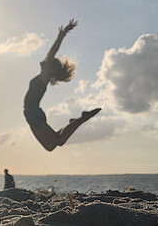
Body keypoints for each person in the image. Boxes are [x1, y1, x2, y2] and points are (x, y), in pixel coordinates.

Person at [23, 19, 101, 151]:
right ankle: (73, 123)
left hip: (33, 112)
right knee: (51, 146)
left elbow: (51, 52)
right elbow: (50, 55)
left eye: (48, 61)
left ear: (50, 67)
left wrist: (61, 35)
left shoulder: (45, 75)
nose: (44, 60)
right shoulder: (43, 76)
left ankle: (82, 118)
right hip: (30, 113)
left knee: (59, 141)